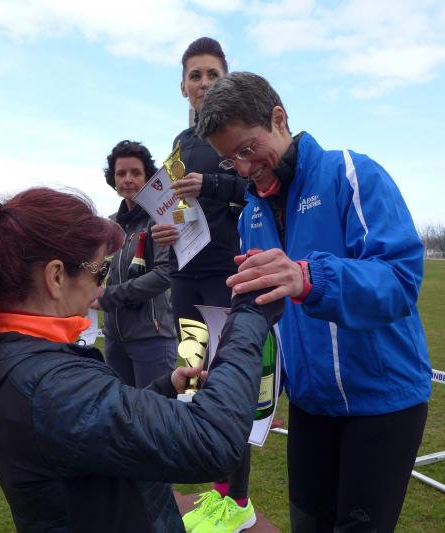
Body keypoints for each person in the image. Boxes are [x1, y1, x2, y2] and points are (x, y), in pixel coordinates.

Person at [0, 187, 283, 533]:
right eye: (100, 271)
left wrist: (163, 389)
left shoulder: (10, 354)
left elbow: (92, 431)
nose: (100, 288)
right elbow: (213, 442)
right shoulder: (48, 386)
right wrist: (250, 314)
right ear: (56, 277)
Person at [197, 72, 433, 533]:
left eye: (247, 149)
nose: (242, 169)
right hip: (310, 405)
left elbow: (399, 281)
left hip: (382, 402)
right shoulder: (251, 215)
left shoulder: (351, 173)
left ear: (278, 118)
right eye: (230, 160)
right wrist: (233, 374)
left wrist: (308, 277)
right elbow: (265, 318)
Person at [150, 37, 256, 533]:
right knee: (193, 379)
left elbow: (256, 187)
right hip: (185, 277)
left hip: (225, 274)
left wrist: (211, 184)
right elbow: (174, 206)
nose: (205, 83)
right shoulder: (179, 144)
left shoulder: (237, 134)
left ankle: (239, 501)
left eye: (214, 74)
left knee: (228, 383)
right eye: (196, 75)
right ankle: (216, 489)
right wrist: (165, 228)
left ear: (226, 79)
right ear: (183, 86)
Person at [93, 140, 177, 388]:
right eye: (121, 174)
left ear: (148, 178)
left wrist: (108, 296)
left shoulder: (160, 220)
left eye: (135, 173)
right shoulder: (109, 225)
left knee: (151, 410)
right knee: (120, 409)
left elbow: (165, 274)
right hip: (114, 339)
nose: (127, 179)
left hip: (151, 339)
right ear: (113, 179)